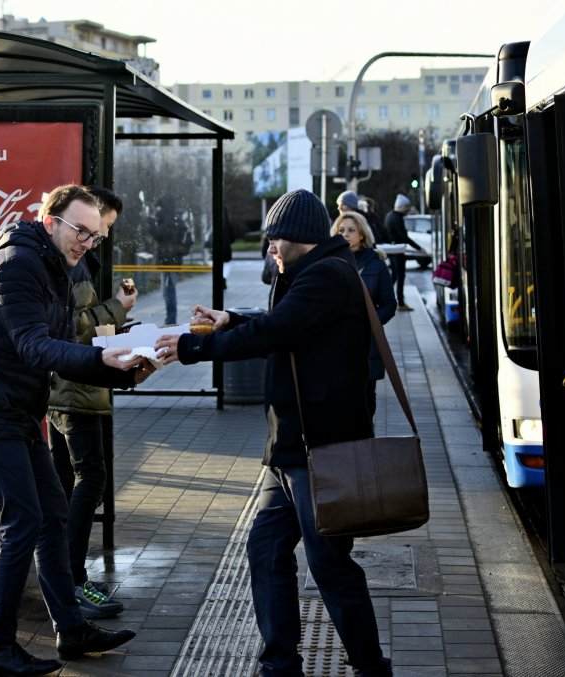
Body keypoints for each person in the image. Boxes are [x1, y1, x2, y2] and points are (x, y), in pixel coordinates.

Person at [155, 189, 393, 677]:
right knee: (265, 550)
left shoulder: (328, 275)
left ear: (300, 238)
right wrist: (230, 319)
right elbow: (282, 326)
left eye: (273, 240)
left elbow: (275, 333)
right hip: (289, 446)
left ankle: (370, 667)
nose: (268, 249)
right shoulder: (308, 272)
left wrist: (191, 349)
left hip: (320, 447)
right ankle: (279, 665)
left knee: (328, 565)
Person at [0, 185, 153, 675]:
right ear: (50, 220)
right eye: (81, 231)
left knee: (52, 512)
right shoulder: (17, 263)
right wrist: (103, 358)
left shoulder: (62, 267)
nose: (87, 243)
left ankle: (71, 629)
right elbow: (36, 347)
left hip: (16, 407)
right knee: (22, 522)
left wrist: (122, 368)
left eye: (95, 237)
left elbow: (61, 351)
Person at [47, 186, 136, 620]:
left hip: (76, 387)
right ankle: (72, 577)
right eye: (98, 229)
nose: (98, 238)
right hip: (73, 390)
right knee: (89, 478)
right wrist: (117, 308)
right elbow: (74, 327)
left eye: (103, 233)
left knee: (66, 482)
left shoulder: (79, 261)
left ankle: (63, 577)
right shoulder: (70, 263)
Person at [331, 211, 396, 418]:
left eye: (351, 230)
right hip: (336, 341)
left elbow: (389, 304)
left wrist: (370, 322)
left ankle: (367, 442)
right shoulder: (330, 261)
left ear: (362, 234)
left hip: (366, 343)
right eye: (341, 231)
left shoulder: (375, 263)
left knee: (366, 397)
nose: (345, 234)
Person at [150, 195, 191, 324]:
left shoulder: (169, 220)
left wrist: (150, 221)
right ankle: (170, 319)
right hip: (172, 260)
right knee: (168, 292)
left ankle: (171, 320)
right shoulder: (175, 219)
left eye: (160, 206)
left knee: (169, 292)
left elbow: (159, 234)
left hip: (169, 261)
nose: (158, 209)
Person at [384, 193, 424, 311]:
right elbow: (404, 237)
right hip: (398, 251)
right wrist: (419, 248)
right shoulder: (397, 218)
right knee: (400, 276)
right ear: (402, 207)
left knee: (395, 276)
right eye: (406, 207)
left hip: (392, 251)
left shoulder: (389, 215)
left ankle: (385, 298)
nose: (408, 209)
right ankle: (400, 302)